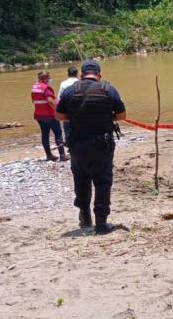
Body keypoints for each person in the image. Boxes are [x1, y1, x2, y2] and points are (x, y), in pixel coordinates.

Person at [55, 60, 127, 234]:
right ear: (99, 74)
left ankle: (85, 217)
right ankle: (101, 224)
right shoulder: (108, 89)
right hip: (102, 146)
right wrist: (106, 117)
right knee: (102, 183)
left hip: (77, 145)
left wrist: (77, 116)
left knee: (81, 181)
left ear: (81, 74)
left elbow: (59, 115)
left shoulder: (70, 91)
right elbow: (122, 115)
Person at [31, 71, 67, 161]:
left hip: (39, 115)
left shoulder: (34, 87)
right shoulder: (46, 88)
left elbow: (33, 101)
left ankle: (49, 155)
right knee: (58, 133)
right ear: (45, 78)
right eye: (49, 78)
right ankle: (62, 155)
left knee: (45, 134)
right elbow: (50, 100)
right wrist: (58, 111)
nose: (50, 79)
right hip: (49, 115)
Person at [57, 66, 80, 143]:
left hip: (67, 109)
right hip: (79, 109)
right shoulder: (80, 82)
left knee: (67, 128)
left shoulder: (63, 83)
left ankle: (69, 143)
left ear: (68, 74)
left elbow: (60, 98)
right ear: (77, 74)